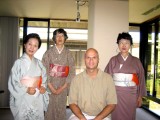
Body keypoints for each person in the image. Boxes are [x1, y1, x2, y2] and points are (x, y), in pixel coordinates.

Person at [104, 32, 147, 120]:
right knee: (116, 115)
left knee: (130, 116)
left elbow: (141, 79)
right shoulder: (113, 60)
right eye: (121, 43)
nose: (124, 45)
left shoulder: (136, 61)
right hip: (116, 94)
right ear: (118, 44)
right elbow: (107, 78)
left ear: (130, 45)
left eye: (127, 43)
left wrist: (139, 96)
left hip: (131, 95)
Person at [8, 33, 49, 120]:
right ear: (25, 45)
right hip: (23, 97)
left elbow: (44, 79)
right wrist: (26, 89)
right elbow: (13, 82)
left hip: (36, 97)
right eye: (30, 44)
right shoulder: (18, 63)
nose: (32, 47)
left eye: (35, 45)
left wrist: (43, 87)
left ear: (38, 48)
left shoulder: (39, 63)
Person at [68, 48, 117, 120]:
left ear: (98, 60)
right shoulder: (76, 79)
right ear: (84, 59)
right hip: (81, 114)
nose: (91, 60)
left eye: (94, 57)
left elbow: (112, 104)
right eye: (88, 57)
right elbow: (72, 103)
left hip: (102, 116)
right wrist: (82, 117)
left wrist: (98, 118)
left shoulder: (108, 79)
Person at [42, 28, 75, 120]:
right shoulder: (48, 53)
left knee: (61, 110)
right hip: (50, 85)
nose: (60, 37)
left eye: (62, 35)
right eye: (57, 35)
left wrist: (63, 87)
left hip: (63, 86)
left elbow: (72, 71)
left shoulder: (68, 53)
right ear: (54, 38)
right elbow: (44, 70)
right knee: (50, 109)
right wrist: (50, 86)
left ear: (65, 38)